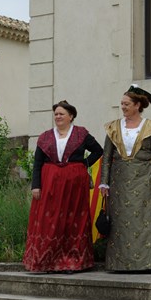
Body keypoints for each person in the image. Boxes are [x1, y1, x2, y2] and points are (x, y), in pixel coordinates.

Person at [99, 84, 151, 272]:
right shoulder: (113, 127)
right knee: (121, 223)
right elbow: (107, 157)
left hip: (145, 180)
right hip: (119, 182)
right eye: (122, 104)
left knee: (146, 221)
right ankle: (120, 264)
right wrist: (104, 181)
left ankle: (149, 262)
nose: (123, 107)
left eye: (127, 104)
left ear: (137, 105)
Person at [23, 100, 103, 273]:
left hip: (74, 184)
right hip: (50, 182)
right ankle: (48, 261)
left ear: (71, 116)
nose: (58, 117)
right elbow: (38, 162)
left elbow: (98, 150)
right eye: (56, 114)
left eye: (61, 114)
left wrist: (83, 164)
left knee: (72, 220)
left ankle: (72, 262)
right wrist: (35, 185)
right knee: (50, 220)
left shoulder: (81, 134)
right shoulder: (45, 137)